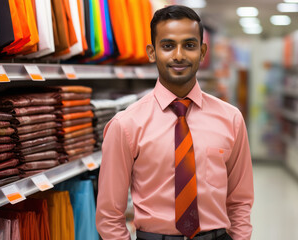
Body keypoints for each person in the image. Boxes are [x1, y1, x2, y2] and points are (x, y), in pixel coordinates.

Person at [96, 5, 254, 240]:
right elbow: (109, 215)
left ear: (202, 52)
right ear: (152, 52)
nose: (179, 55)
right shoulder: (125, 125)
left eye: (189, 45)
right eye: (168, 46)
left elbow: (240, 201)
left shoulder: (231, 119)